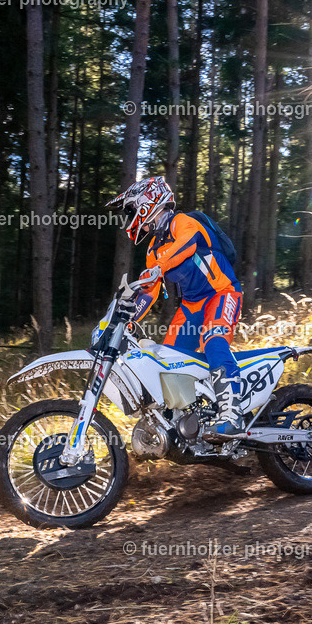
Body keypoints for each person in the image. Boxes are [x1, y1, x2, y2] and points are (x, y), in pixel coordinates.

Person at [108, 176, 245, 441]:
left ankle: (232, 415)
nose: (130, 218)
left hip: (223, 293)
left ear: (147, 202)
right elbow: (150, 291)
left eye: (131, 210)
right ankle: (180, 423)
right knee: (168, 359)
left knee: (214, 340)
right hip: (192, 306)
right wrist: (127, 318)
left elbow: (187, 245)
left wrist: (160, 267)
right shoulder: (153, 248)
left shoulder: (183, 222)